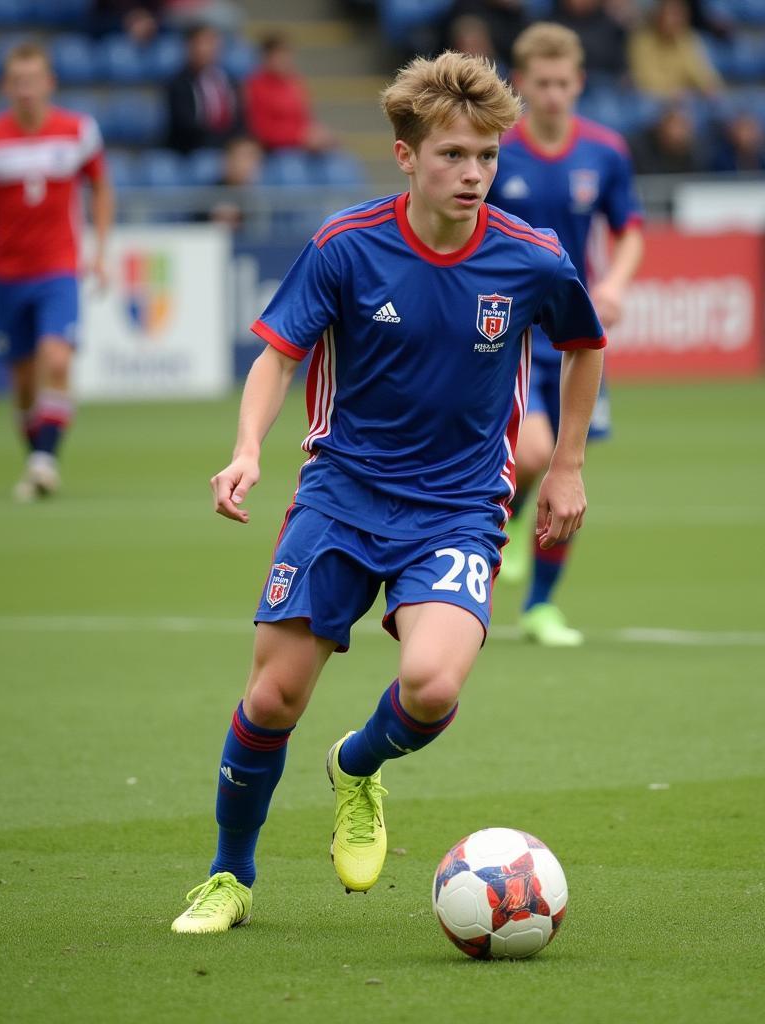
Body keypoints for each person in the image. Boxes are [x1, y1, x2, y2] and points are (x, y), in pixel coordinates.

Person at [170, 50, 606, 934]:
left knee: (434, 683)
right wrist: (248, 449)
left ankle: (359, 765)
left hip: (456, 506)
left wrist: (565, 466)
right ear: (406, 156)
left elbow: (585, 343)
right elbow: (278, 355)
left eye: (486, 156)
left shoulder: (532, 259)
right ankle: (230, 875)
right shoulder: (346, 245)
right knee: (271, 701)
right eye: (453, 155)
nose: (474, 173)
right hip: (342, 496)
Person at [487, 22, 643, 647]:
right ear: (521, 85)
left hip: (576, 336)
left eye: (563, 83)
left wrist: (617, 284)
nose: (553, 94)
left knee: (567, 469)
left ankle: (540, 608)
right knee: (531, 455)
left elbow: (629, 227)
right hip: (514, 336)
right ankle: (519, 517)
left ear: (579, 82)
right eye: (541, 84)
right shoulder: (498, 151)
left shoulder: (604, 152)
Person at [0, 42, 113, 502]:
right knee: (23, 381)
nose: (25, 89)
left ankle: (44, 461)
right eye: (17, 81)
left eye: (33, 79)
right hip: (7, 272)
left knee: (57, 359)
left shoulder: (78, 131)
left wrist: (100, 250)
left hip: (58, 268)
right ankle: (37, 455)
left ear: (49, 83)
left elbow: (101, 189)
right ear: (6, 86)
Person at [243, 32, 334, 153]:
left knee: (340, 164)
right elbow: (262, 131)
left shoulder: (295, 82)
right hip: (275, 151)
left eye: (288, 54)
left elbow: (306, 119)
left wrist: (319, 135)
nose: (286, 60)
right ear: (266, 58)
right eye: (280, 55)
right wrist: (299, 137)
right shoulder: (256, 86)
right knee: (291, 169)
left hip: (303, 147)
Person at [165, 23, 241, 154]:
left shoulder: (228, 80)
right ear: (190, 46)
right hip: (192, 150)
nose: (209, 48)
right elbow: (185, 125)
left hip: (227, 147)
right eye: (204, 42)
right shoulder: (179, 82)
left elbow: (239, 118)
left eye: (213, 42)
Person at [628, 0, 723, 99]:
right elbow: (646, 82)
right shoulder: (642, 40)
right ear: (658, 16)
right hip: (656, 101)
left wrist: (708, 88)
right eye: (670, 15)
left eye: (679, 16)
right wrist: (673, 93)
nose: (675, 20)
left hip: (686, 98)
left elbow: (701, 72)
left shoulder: (688, 39)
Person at [630, 101, 704, 174]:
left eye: (683, 126)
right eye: (674, 125)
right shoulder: (641, 148)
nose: (678, 132)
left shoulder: (696, 151)